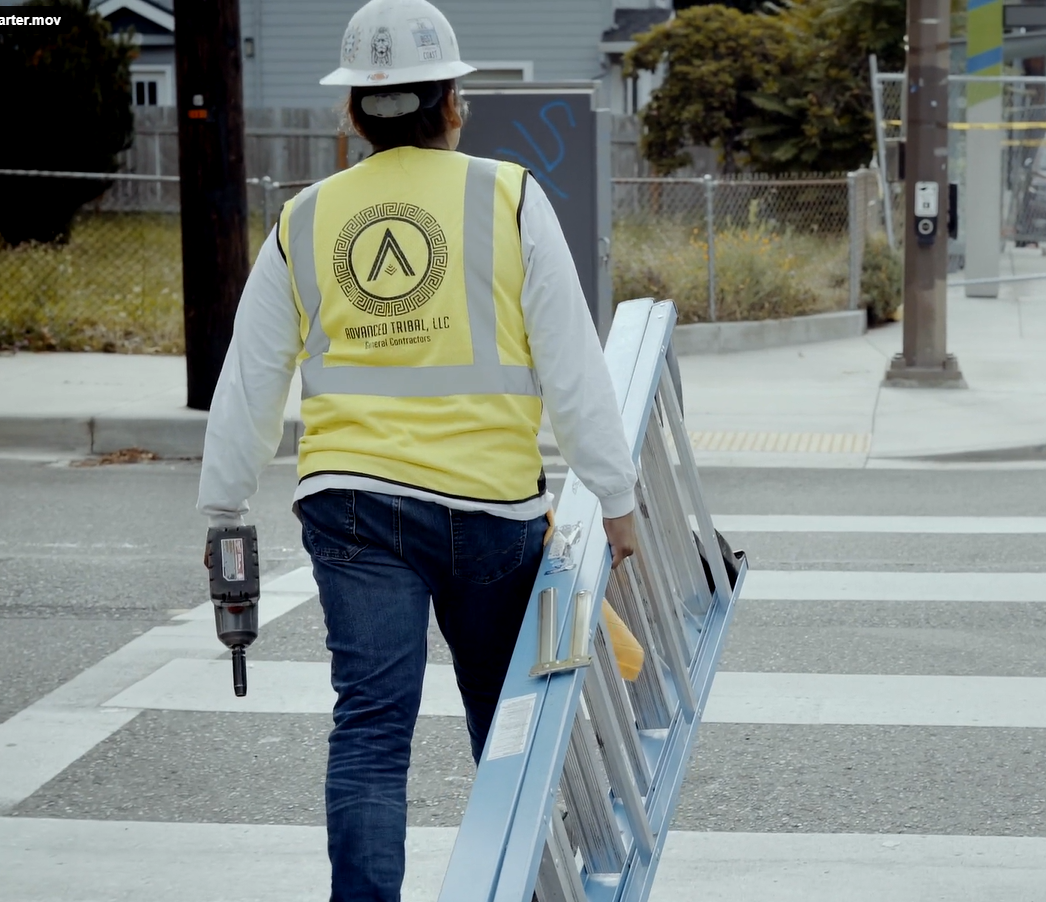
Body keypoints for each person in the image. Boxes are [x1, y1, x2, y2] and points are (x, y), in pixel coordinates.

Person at [195, 0, 640, 898]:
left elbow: (250, 379)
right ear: (454, 104)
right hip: (491, 513)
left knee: (368, 731)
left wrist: (223, 509)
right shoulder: (510, 197)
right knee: (506, 726)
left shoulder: (306, 220)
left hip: (352, 506)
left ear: (352, 112)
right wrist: (618, 503)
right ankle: (521, 885)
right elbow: (573, 365)